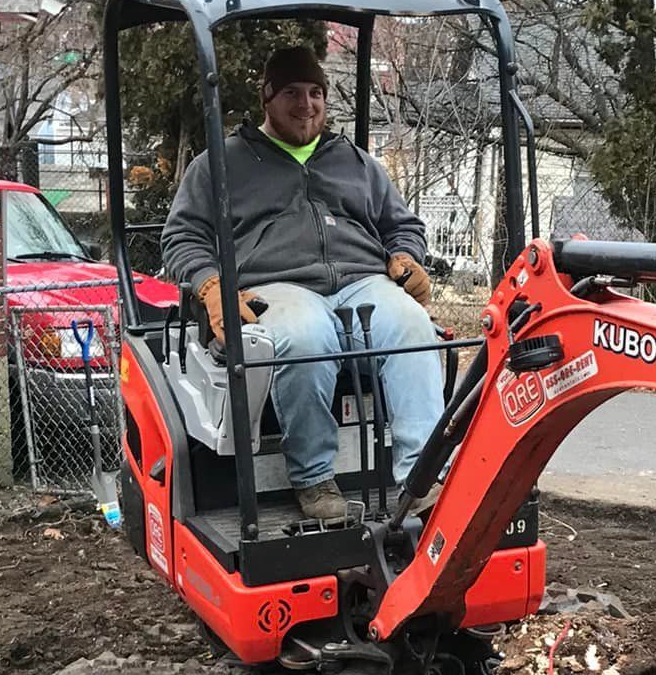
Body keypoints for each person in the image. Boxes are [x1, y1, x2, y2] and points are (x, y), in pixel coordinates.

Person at [160, 44, 444, 524]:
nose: (306, 104)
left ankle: (421, 479)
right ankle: (313, 479)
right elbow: (182, 236)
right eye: (292, 92)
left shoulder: (355, 162)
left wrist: (405, 257)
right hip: (274, 284)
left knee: (414, 327)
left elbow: (404, 225)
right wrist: (210, 288)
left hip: (361, 282)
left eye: (315, 93)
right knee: (308, 337)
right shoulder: (220, 164)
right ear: (267, 98)